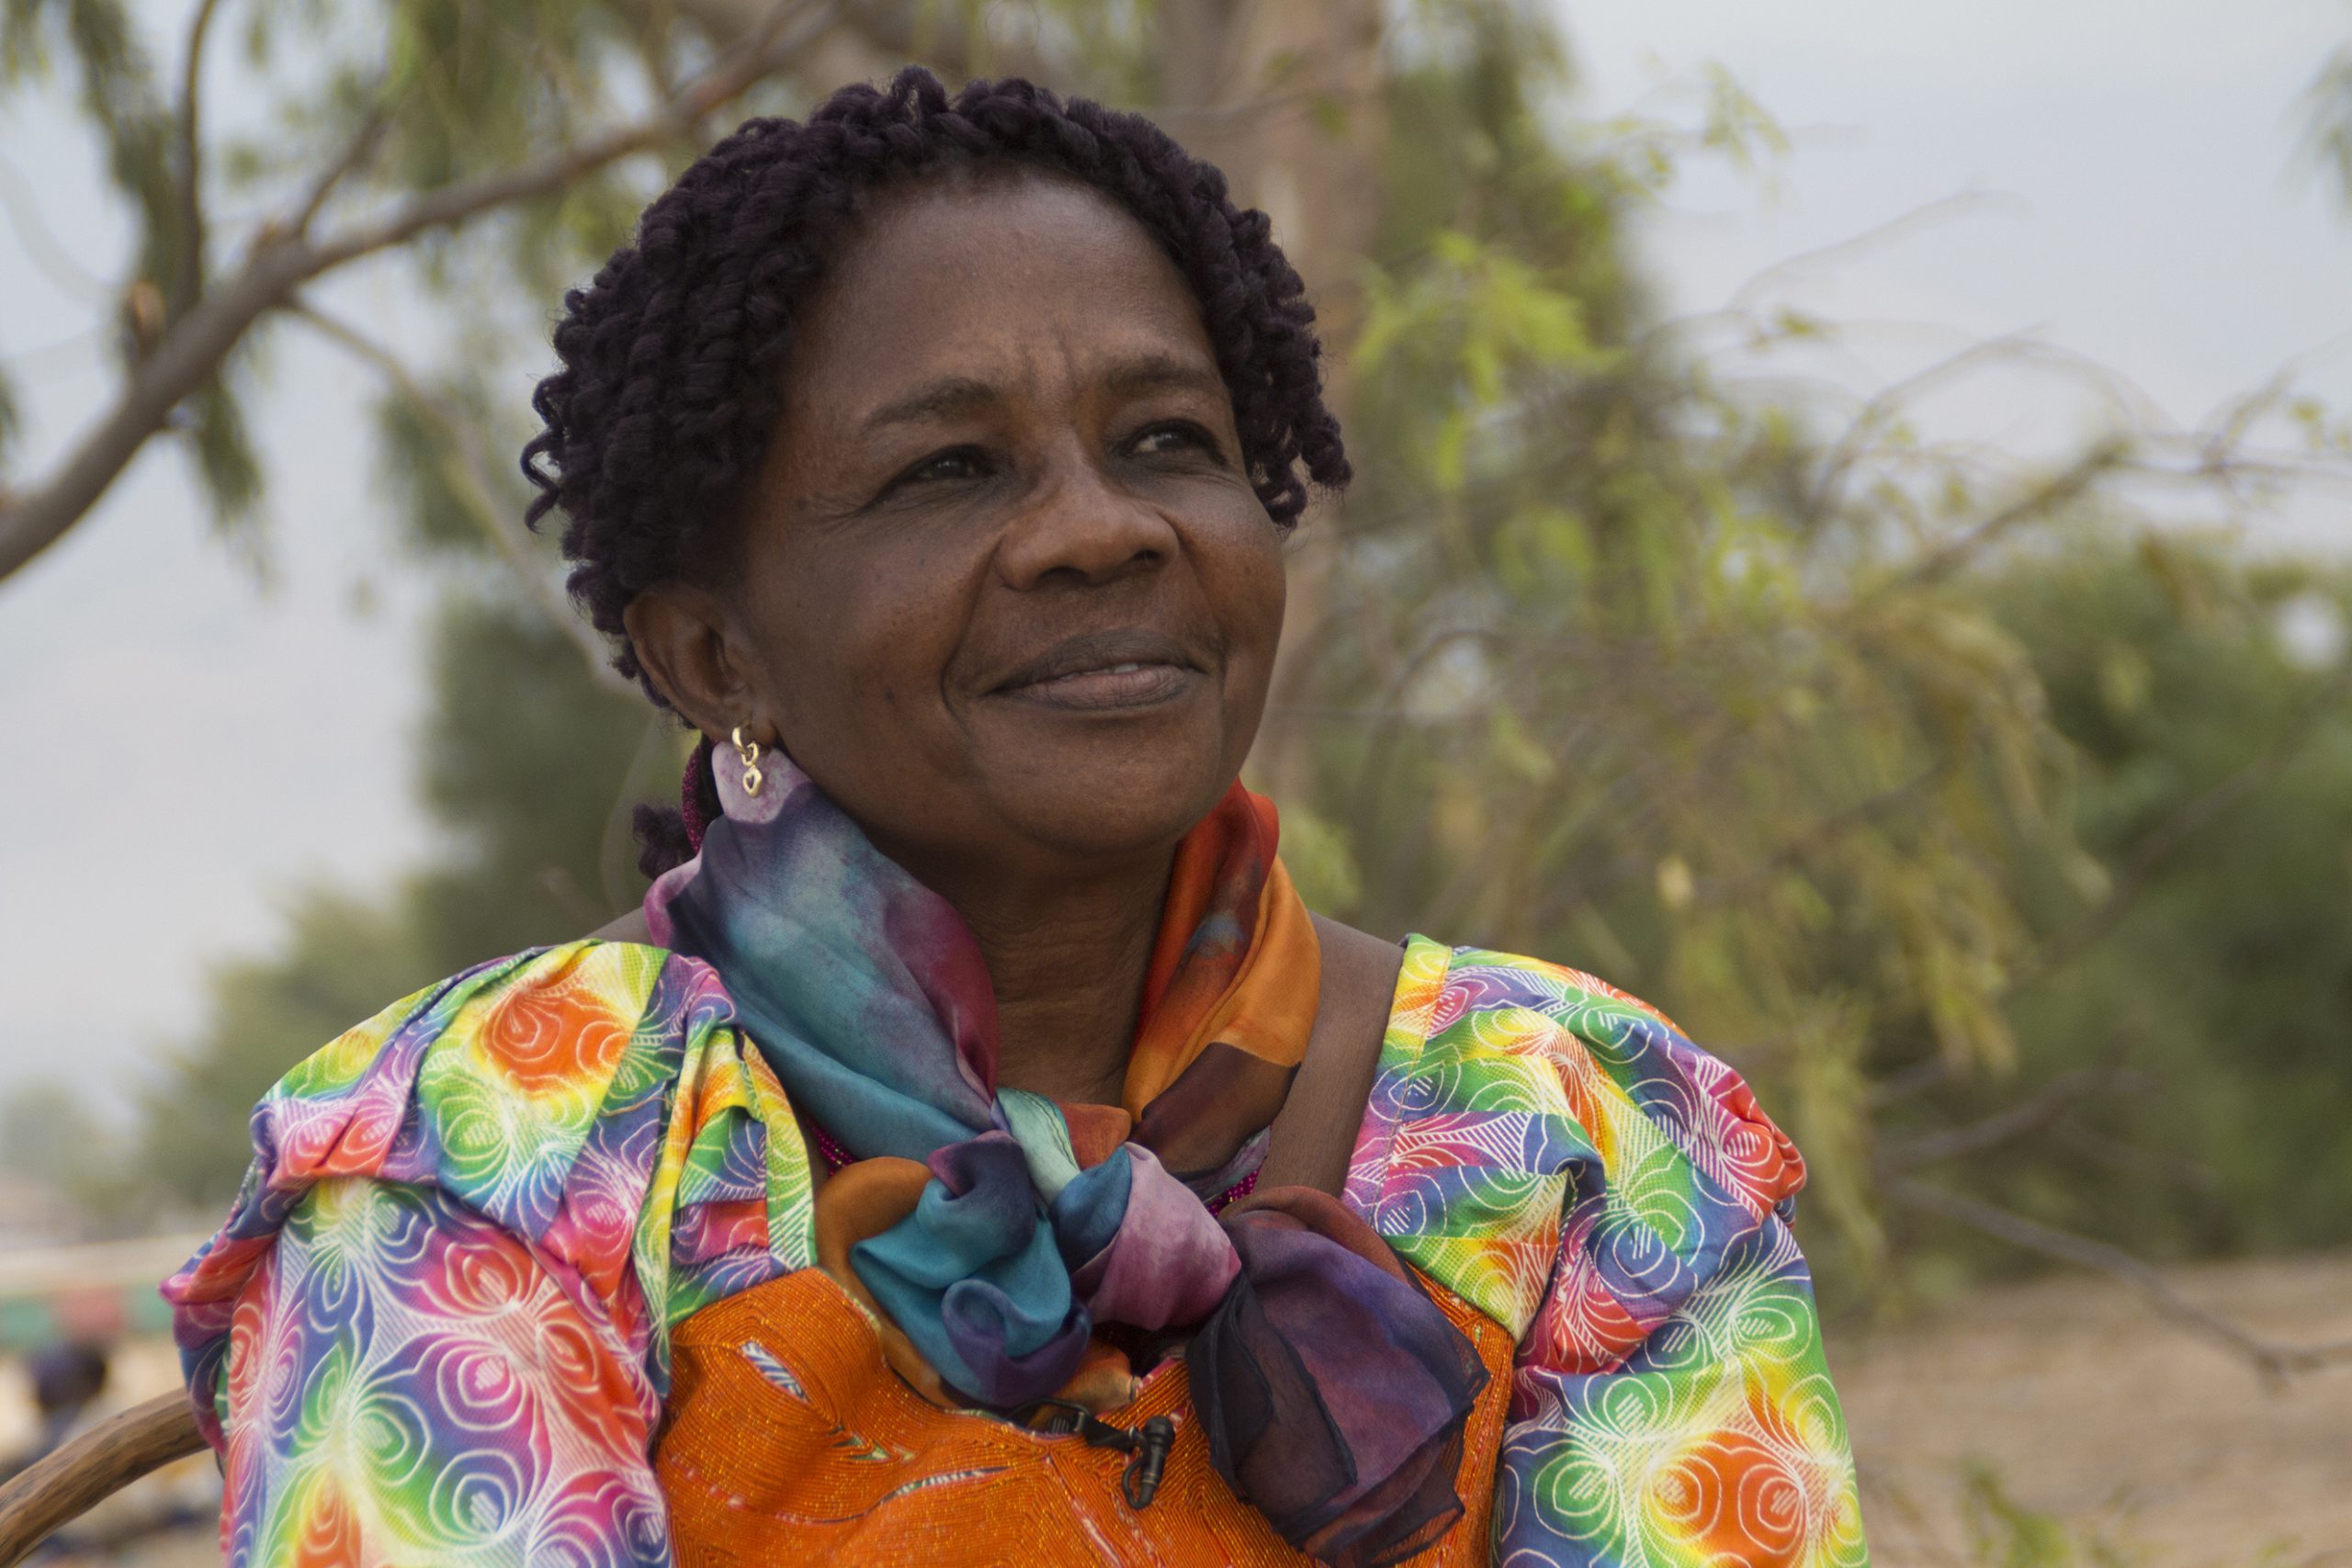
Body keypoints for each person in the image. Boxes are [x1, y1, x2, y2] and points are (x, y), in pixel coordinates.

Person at [163, 67, 1867, 1568]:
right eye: (949, 471)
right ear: (713, 651)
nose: (1099, 530)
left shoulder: (1576, 1130)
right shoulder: (491, 1153)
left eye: (1168, 442)